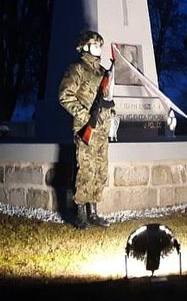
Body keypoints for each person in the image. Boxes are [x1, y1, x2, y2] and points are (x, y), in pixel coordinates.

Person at [58, 30, 115, 229]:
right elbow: (65, 96)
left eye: (101, 44)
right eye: (95, 44)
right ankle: (81, 212)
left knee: (100, 169)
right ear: (84, 46)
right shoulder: (77, 69)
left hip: (102, 129)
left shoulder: (102, 72)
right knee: (86, 169)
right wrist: (84, 116)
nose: (99, 48)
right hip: (85, 127)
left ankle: (94, 212)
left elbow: (105, 101)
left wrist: (110, 114)